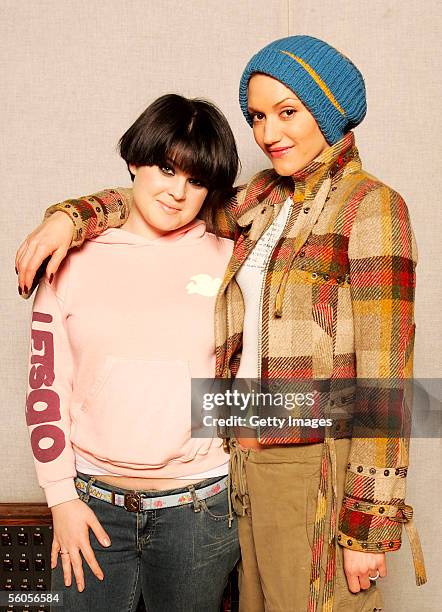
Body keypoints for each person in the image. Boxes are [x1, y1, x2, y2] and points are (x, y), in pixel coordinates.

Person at [17, 36, 427, 611]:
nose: (268, 133)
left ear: (328, 112)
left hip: (312, 466)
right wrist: (72, 216)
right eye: (258, 116)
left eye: (289, 112)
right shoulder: (262, 198)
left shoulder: (371, 207)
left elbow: (386, 385)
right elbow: (163, 197)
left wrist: (370, 526)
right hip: (240, 467)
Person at [24, 94, 241, 612]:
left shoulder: (233, 260)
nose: (177, 192)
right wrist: (61, 498)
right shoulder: (69, 258)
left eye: (195, 181)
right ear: (135, 163)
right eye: (166, 169)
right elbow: (45, 387)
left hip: (199, 509)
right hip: (91, 505)